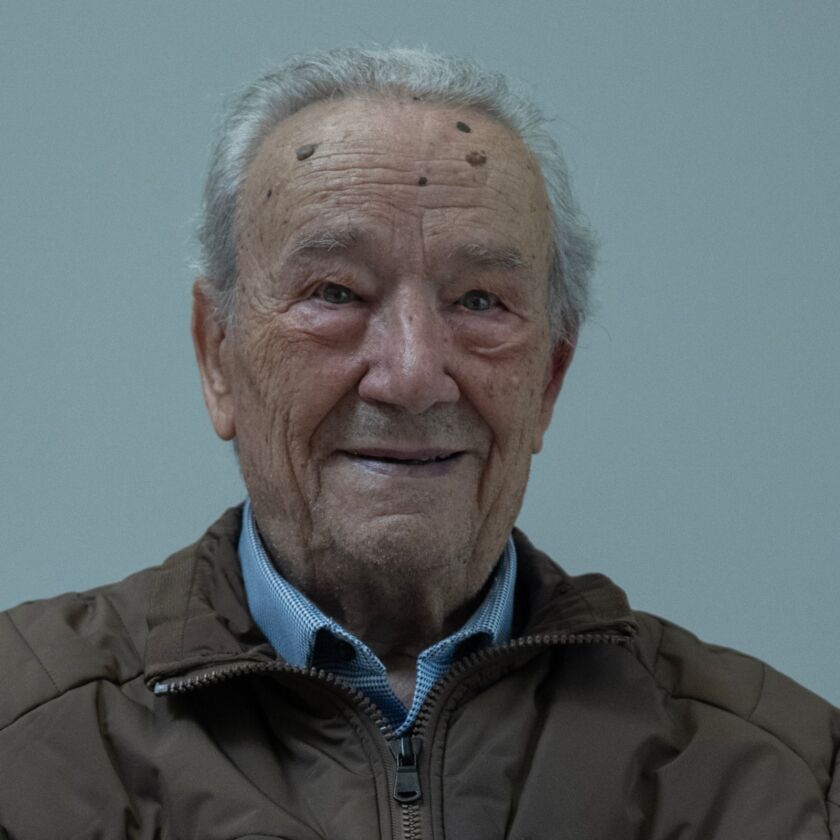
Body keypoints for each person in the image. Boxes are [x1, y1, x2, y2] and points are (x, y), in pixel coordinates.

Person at [1, 46, 837, 839]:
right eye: (335, 292)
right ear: (218, 353)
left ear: (549, 378)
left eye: (479, 301)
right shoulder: (23, 741)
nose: (410, 375)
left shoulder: (780, 776)